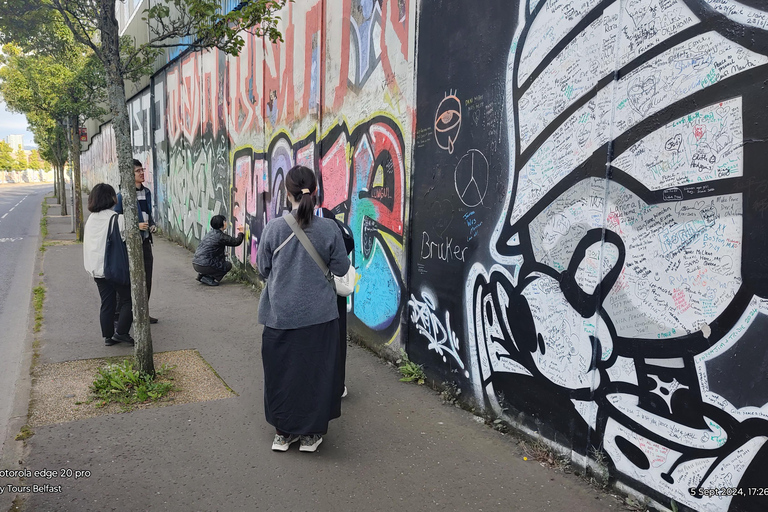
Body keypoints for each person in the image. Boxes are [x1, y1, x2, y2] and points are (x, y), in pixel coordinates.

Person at [257, 165, 350, 453]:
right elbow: (341, 267)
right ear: (316, 191)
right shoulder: (329, 228)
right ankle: (311, 434)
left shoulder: (273, 228)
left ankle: (283, 434)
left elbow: (263, 268)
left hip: (279, 316)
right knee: (316, 373)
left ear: (287, 193)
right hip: (320, 316)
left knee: (280, 374)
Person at [83, 183, 134, 346]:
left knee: (107, 302)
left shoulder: (91, 219)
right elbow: (129, 242)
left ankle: (108, 336)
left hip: (96, 269)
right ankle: (122, 332)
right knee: (128, 299)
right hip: (114, 268)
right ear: (111, 198)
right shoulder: (117, 219)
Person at [317, 207, 355, 399]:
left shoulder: (291, 225)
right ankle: (337, 386)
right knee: (336, 341)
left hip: (309, 294)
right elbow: (348, 245)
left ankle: (314, 385)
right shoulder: (333, 226)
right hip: (335, 293)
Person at [115, 159, 158, 323]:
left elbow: (147, 212)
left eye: (142, 170)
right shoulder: (123, 195)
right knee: (128, 280)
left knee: (147, 278)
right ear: (129, 175)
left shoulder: (146, 192)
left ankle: (142, 313)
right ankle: (121, 316)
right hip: (130, 243)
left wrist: (151, 225)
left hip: (145, 241)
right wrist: (135, 226)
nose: (142, 173)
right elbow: (116, 219)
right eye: (138, 171)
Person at [192, 215, 245, 286]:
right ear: (222, 223)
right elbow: (236, 242)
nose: (226, 223)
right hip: (204, 265)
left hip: (196, 263)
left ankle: (202, 275)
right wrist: (241, 232)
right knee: (227, 265)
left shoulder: (210, 233)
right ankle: (209, 278)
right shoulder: (221, 236)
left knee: (218, 262)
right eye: (225, 221)